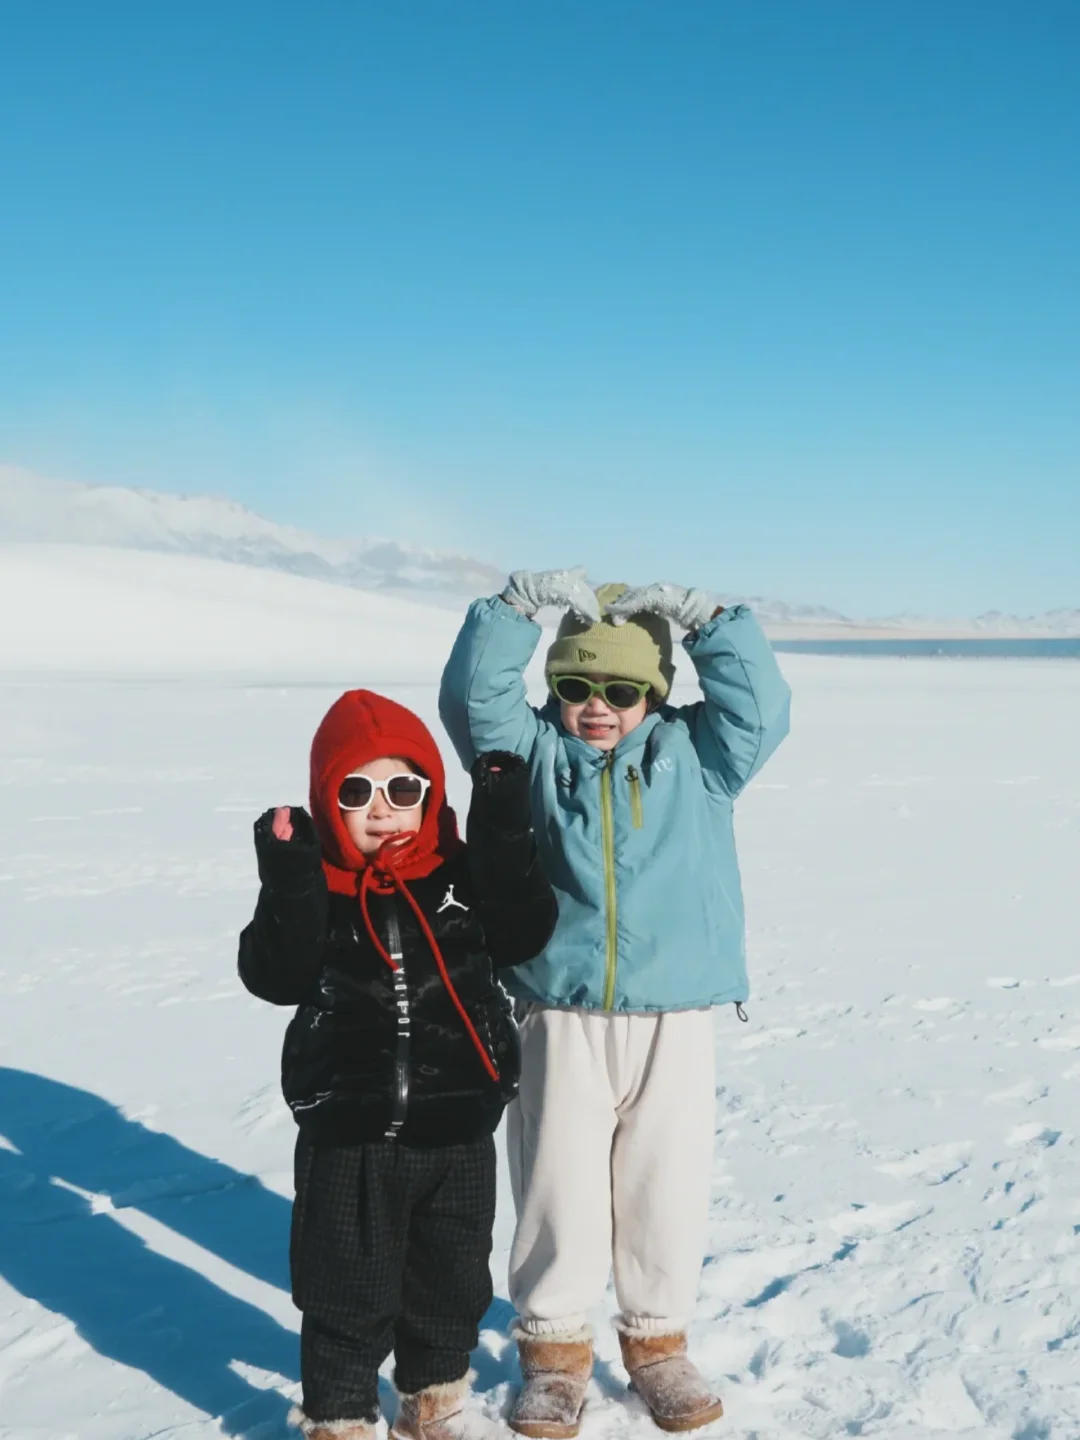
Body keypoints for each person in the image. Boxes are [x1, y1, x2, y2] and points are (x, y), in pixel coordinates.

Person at [439, 571, 791, 1436]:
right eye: (576, 686)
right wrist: (512, 612)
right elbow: (475, 704)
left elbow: (761, 710)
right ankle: (554, 1353)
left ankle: (658, 1345)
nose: (599, 706)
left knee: (663, 1183)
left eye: (624, 689)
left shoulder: (699, 759)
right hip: (558, 1009)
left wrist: (712, 622)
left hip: (673, 1011)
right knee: (557, 1185)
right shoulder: (533, 758)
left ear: (656, 692)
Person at [239, 689, 557, 1440]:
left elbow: (524, 928)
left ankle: (434, 1402)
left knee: (448, 1285)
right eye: (356, 791)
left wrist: (505, 826)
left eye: (402, 788)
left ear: (429, 794)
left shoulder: (459, 875)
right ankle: (341, 1413)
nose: (382, 809)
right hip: (347, 1136)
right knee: (345, 1289)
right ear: (327, 800)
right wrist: (289, 882)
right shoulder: (320, 888)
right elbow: (272, 976)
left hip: (457, 1131)